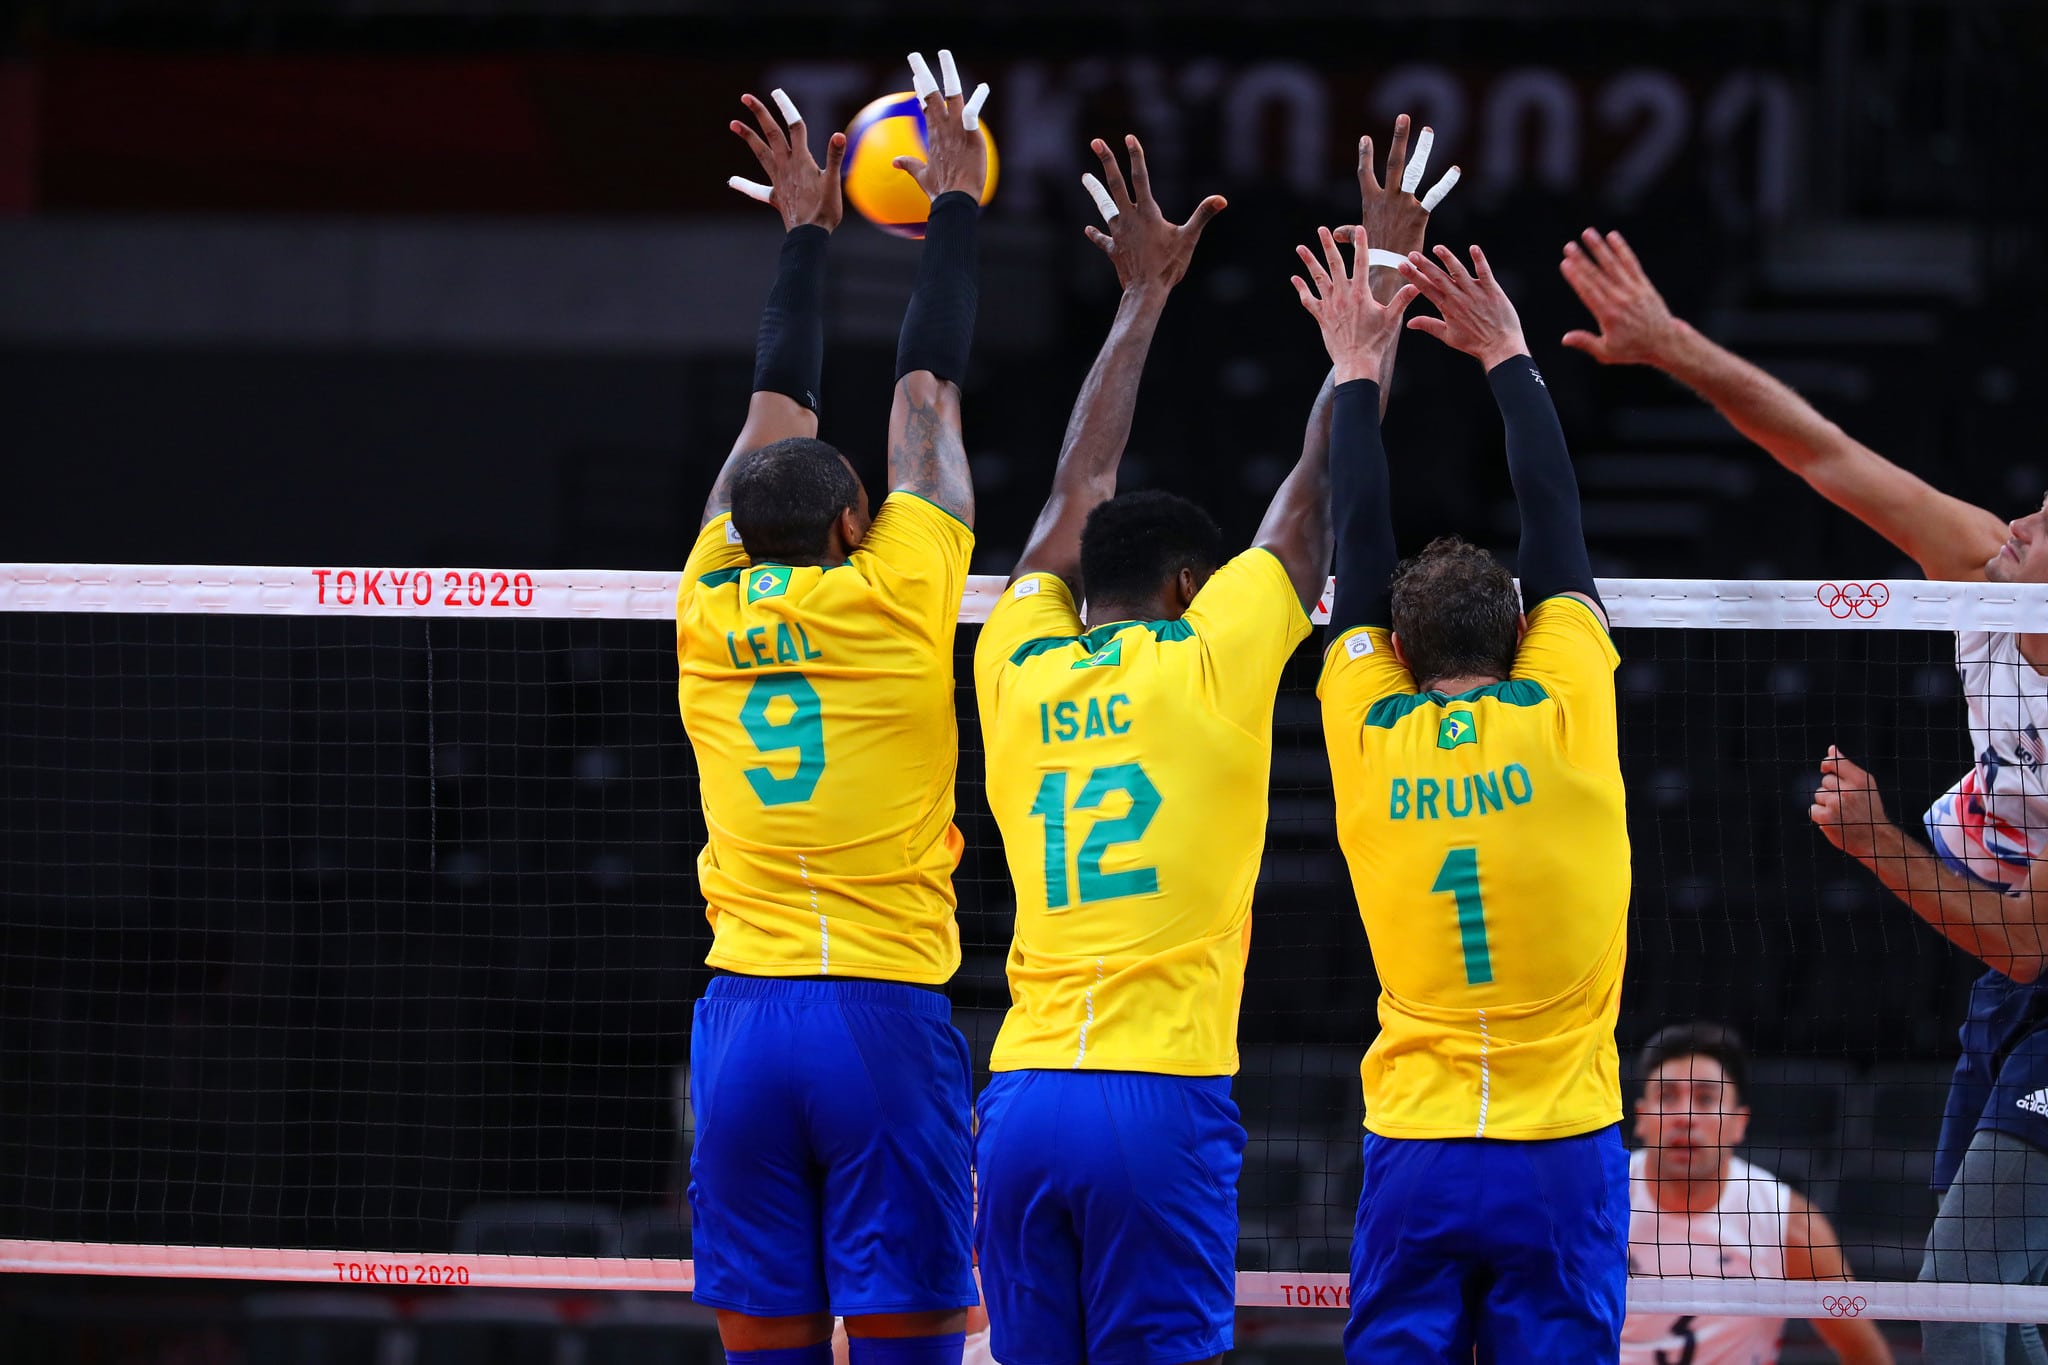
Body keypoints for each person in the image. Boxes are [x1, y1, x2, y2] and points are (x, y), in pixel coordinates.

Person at [968, 121, 1433, 1365]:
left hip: (1014, 1099)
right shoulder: (1212, 653)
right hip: (1150, 1100)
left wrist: (1138, 299)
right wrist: (1376, 287)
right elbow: (1320, 492)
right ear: (1187, 579)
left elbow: (1073, 493)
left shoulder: (1008, 659)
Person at [1559, 226, 2048, 1364]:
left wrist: (1876, 844)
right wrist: (1671, 345)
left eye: (2040, 527)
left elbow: (2029, 948)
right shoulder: (1979, 577)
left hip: (2031, 973)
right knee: (2001, 1309)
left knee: (1959, 1297)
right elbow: (1823, 454)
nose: (2012, 521)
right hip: (2007, 997)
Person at [675, 57, 988, 1365]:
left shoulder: (705, 599)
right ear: (858, 525)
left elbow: (772, 411)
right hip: (876, 1012)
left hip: (740, 1023)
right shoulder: (902, 591)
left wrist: (804, 230)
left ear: (741, 528)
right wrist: (956, 203)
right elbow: (925, 392)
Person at [1314, 234, 1630, 1363]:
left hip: (1419, 1144)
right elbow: (1554, 521)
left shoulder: (1364, 724)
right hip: (1561, 1146)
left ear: (1393, 647)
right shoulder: (1562, 709)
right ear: (1524, 632)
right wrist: (1508, 353)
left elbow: (1353, 542)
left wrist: (1355, 370)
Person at [1623, 1021, 1894, 1365]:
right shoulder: (1596, 1203)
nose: (1686, 1116)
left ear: (1739, 1122)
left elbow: (1863, 1350)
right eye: (1667, 1096)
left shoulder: (1788, 1223)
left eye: (1706, 1099)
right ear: (1642, 1117)